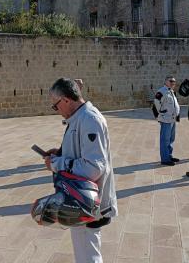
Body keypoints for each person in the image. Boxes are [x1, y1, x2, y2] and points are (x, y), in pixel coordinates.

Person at [45, 78, 118, 263]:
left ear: (66, 100)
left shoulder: (90, 119)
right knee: (84, 254)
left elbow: (93, 167)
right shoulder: (79, 118)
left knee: (89, 256)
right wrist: (61, 152)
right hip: (78, 199)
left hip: (88, 202)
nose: (57, 111)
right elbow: (82, 151)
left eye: (56, 106)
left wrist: (57, 163)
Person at [153, 75, 180, 166]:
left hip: (172, 119)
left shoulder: (171, 91)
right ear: (166, 82)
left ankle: (169, 156)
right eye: (171, 81)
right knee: (165, 139)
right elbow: (156, 103)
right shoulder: (162, 91)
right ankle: (165, 159)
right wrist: (161, 113)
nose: (173, 83)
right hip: (166, 119)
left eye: (174, 81)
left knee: (171, 139)